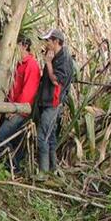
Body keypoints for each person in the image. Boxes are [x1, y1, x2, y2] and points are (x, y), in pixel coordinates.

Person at [0, 37, 41, 172]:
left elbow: (28, 92)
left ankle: (14, 167)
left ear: (24, 45)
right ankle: (9, 166)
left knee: (0, 138)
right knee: (8, 139)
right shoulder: (19, 63)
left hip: (20, 111)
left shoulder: (31, 65)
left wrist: (14, 110)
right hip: (13, 107)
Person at [36, 29, 73, 180]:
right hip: (48, 101)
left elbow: (57, 81)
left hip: (53, 103)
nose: (46, 44)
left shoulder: (63, 59)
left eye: (48, 41)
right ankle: (53, 168)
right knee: (50, 136)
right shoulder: (55, 56)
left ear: (56, 41)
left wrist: (49, 64)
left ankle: (43, 172)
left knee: (42, 136)